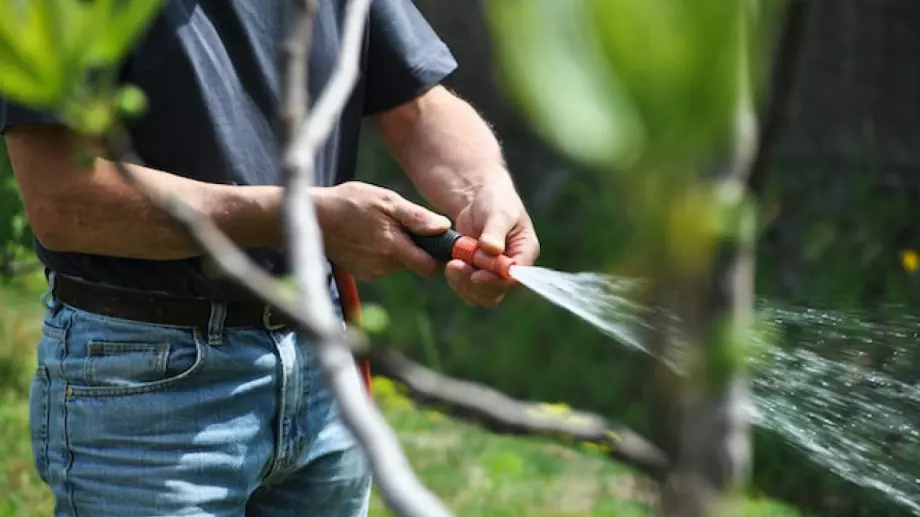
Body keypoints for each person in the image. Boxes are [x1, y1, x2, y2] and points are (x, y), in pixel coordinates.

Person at [0, 0, 539, 516]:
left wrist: (482, 190)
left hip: (321, 350)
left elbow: (418, 104)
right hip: (146, 378)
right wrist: (301, 216)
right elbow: (62, 200)